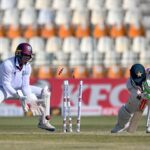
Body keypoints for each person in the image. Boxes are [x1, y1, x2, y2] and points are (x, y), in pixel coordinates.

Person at [0, 43, 55, 132]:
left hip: (20, 89)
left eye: (29, 56)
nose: (27, 58)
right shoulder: (7, 64)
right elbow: (6, 85)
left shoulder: (27, 66)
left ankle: (43, 122)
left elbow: (25, 86)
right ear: (18, 54)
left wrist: (31, 99)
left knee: (45, 93)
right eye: (25, 55)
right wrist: (19, 96)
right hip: (3, 89)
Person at [111, 63, 150, 133]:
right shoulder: (129, 83)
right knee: (126, 109)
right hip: (140, 96)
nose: (139, 82)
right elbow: (138, 96)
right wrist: (142, 94)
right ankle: (121, 125)